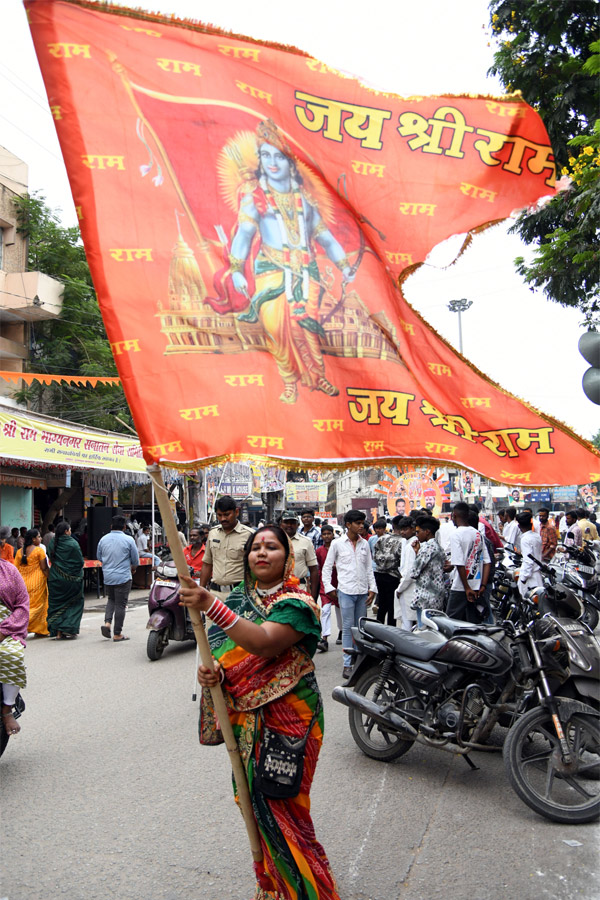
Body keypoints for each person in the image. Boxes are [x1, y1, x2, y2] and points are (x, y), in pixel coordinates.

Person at [179, 525, 341, 900]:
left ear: (288, 558)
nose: (261, 553)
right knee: (253, 803)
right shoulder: (237, 600)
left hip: (291, 720)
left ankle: (307, 888)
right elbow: (223, 655)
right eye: (255, 548)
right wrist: (212, 673)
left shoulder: (298, 604)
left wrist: (208, 604)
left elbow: (265, 644)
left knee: (282, 803)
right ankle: (272, 882)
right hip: (244, 719)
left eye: (271, 547)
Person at [227, 118, 355, 404]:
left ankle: (317, 376)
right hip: (270, 270)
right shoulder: (255, 199)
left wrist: (344, 265)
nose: (272, 163)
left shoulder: (306, 201)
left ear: (290, 163)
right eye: (266, 156)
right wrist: (236, 268)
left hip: (306, 273)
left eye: (279, 157)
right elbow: (244, 236)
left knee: (308, 325)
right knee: (275, 329)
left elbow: (326, 238)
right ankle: (288, 382)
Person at [322, 509, 376, 680]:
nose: (361, 526)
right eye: (358, 523)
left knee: (360, 628)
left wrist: (373, 588)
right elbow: (327, 567)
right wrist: (329, 586)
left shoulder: (365, 544)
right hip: (345, 591)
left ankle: (359, 661)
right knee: (347, 628)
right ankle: (347, 664)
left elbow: (369, 568)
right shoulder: (338, 544)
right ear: (348, 525)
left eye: (362, 523)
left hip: (362, 592)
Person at [199, 496, 253, 599]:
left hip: (240, 595)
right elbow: (207, 564)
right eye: (219, 515)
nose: (223, 519)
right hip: (215, 594)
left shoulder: (249, 535)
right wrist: (201, 589)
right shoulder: (213, 533)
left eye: (227, 514)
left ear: (236, 512)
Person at [447, 502, 492, 624]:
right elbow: (487, 562)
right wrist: (482, 586)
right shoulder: (478, 534)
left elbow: (459, 563)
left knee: (451, 622)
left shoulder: (456, 534)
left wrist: (467, 588)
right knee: (474, 624)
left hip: (460, 586)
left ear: (454, 515)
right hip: (477, 587)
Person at [97, 515, 139, 642]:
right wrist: (133, 568)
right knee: (121, 605)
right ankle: (117, 633)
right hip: (123, 576)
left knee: (111, 600)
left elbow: (99, 557)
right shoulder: (129, 540)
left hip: (108, 576)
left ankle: (107, 624)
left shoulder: (103, 540)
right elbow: (135, 559)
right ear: (124, 527)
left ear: (111, 526)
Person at [0, 558, 29, 737]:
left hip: (7, 627)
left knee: (12, 655)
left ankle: (7, 710)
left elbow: (22, 606)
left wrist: (4, 631)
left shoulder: (9, 571)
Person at [46, 522, 85, 640]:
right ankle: (68, 628)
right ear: (66, 531)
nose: (71, 531)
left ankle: (58, 632)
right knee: (75, 602)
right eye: (70, 530)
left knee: (56, 605)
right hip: (71, 580)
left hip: (55, 579)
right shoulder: (73, 544)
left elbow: (49, 555)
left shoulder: (53, 542)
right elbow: (80, 562)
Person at [15, 529, 49, 637]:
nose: (41, 538)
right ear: (33, 539)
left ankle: (35, 628)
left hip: (23, 584)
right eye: (39, 537)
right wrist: (51, 578)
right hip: (37, 583)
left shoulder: (19, 552)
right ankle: (19, 625)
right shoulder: (39, 551)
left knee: (25, 606)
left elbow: (15, 569)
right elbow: (44, 568)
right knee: (38, 607)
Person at [410, 515, 446, 617]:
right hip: (437, 596)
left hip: (426, 596)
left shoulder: (427, 548)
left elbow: (414, 572)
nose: (416, 535)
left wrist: (418, 554)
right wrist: (417, 552)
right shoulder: (438, 546)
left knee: (424, 630)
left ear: (427, 531)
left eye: (418, 532)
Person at [280, 512, 320, 600]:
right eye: (286, 522)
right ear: (281, 524)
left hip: (300, 589)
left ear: (298, 524)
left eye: (293, 523)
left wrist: (313, 597)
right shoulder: (274, 541)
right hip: (278, 591)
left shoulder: (306, 542)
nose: (289, 525)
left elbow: (313, 569)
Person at [372, 515, 403, 626]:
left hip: (379, 574)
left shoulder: (382, 539)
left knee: (382, 604)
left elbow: (375, 557)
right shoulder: (403, 542)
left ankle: (378, 629)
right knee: (392, 606)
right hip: (393, 576)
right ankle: (391, 630)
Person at [315, 523, 341, 652]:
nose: (326, 536)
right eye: (324, 534)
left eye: (328, 534)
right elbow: (319, 567)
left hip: (340, 583)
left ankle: (342, 631)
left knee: (340, 610)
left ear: (333, 534)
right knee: (325, 610)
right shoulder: (319, 551)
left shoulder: (338, 548)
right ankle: (324, 639)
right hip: (325, 584)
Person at [395, 517, 418, 630]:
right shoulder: (409, 542)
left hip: (409, 587)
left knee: (407, 621)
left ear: (413, 529)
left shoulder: (411, 545)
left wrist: (400, 589)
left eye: (405, 529)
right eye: (401, 529)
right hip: (412, 586)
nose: (402, 532)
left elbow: (409, 572)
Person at [515, 512, 544, 598]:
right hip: (537, 574)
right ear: (531, 524)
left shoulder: (525, 539)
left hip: (530, 577)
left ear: (519, 526)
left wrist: (523, 578)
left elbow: (528, 561)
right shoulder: (536, 536)